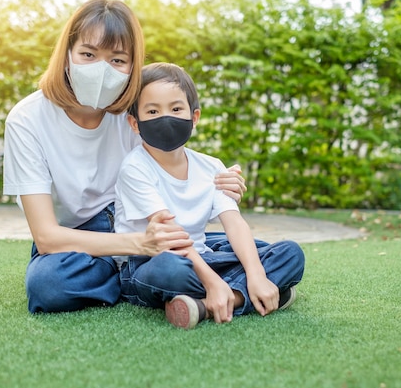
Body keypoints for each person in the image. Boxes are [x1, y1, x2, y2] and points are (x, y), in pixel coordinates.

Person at [3, 0, 246, 314]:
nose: (102, 70)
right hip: (78, 237)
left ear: (133, 66)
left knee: (263, 254)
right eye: (88, 55)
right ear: (67, 55)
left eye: (117, 60)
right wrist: (140, 246)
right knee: (47, 284)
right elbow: (47, 237)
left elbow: (177, 156)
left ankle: (166, 271)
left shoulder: (139, 108)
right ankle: (143, 279)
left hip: (142, 218)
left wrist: (221, 181)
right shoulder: (27, 119)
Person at [114, 62, 305, 329]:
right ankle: (239, 293)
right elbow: (169, 235)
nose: (165, 117)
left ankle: (211, 304)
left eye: (176, 108)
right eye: (153, 111)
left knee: (290, 253)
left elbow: (234, 223)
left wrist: (256, 273)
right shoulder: (135, 167)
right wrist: (212, 280)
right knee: (170, 270)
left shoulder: (211, 166)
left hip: (203, 257)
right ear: (135, 123)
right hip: (150, 263)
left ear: (194, 117)